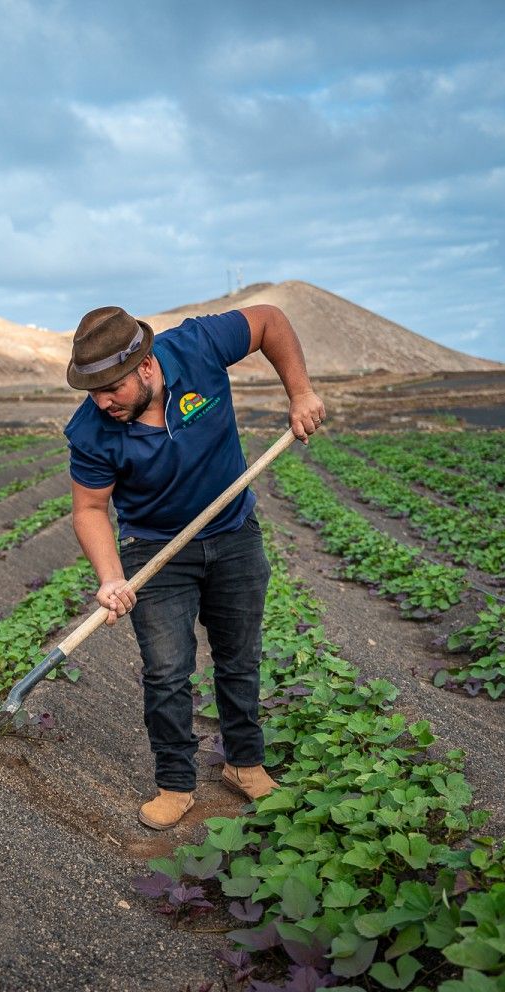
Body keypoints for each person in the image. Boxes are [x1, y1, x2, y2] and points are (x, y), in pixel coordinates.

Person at [62, 304, 325, 830]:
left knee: (239, 657)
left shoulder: (198, 346)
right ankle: (175, 784)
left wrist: (299, 393)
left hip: (233, 534)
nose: (102, 402)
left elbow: (271, 320)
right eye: (91, 391)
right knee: (166, 672)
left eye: (110, 388)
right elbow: (90, 510)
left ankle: (245, 765)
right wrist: (111, 576)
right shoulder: (92, 431)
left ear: (145, 366)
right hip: (154, 549)